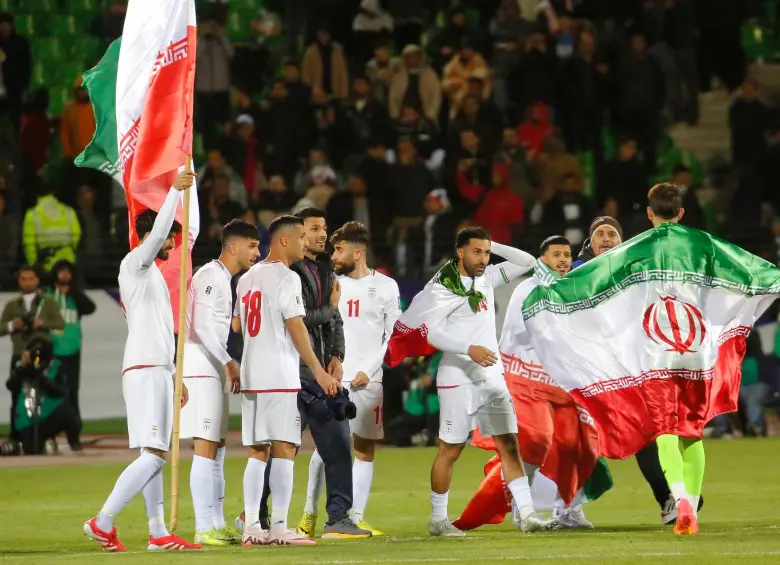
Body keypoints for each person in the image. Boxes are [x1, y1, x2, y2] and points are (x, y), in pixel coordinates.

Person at [387, 227, 553, 536]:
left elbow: (528, 261)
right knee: (450, 450)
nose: (483, 258)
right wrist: (468, 349)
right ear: (459, 251)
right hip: (458, 376)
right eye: (477, 251)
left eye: (487, 252)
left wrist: (494, 243)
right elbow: (430, 332)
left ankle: (528, 515)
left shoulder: (487, 277)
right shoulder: (442, 287)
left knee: (509, 445)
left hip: (491, 375)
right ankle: (438, 520)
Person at [83, 170, 200, 553]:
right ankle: (102, 522)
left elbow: (160, 332)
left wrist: (172, 375)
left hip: (154, 369)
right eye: (171, 237)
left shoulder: (148, 278)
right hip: (145, 369)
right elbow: (158, 231)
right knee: (154, 456)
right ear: (155, 236)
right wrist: (174, 193)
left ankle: (157, 532)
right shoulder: (136, 262)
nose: (173, 244)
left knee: (152, 455)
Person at [570, 214, 704, 525]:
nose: (606, 238)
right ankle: (568, 507)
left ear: (622, 241)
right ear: (589, 242)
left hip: (631, 368)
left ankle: (670, 497)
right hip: (588, 370)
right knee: (577, 437)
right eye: (600, 233)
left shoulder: (637, 272)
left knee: (645, 435)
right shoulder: (577, 274)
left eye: (612, 234)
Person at [234, 215, 340, 547]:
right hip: (278, 375)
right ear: (283, 241)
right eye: (299, 238)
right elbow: (296, 326)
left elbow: (238, 326)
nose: (304, 243)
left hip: (252, 375)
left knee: (256, 451)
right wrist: (319, 371)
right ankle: (278, 527)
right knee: (284, 448)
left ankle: (252, 526)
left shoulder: (246, 277)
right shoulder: (287, 277)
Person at [296, 221, 401, 537]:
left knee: (365, 448)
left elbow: (392, 335)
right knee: (325, 448)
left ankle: (355, 516)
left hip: (370, 380)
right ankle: (309, 514)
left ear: (358, 252)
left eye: (339, 249)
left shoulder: (386, 286)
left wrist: (369, 371)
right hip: (334, 379)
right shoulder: (328, 283)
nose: (333, 254)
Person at [180, 220, 261, 546]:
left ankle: (216, 522)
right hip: (201, 368)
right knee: (205, 450)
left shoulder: (224, 279)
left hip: (211, 369)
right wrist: (229, 362)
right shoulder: (211, 276)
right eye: (252, 246)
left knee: (217, 451)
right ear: (233, 247)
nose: (256, 252)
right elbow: (200, 326)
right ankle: (202, 527)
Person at [645, 182, 704, 535]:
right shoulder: (702, 245)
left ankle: (679, 497)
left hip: (656, 349)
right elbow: (743, 270)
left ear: (649, 213)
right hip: (696, 349)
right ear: (681, 213)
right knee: (692, 432)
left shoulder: (637, 249)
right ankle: (692, 508)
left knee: (664, 431)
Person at [1, 265, 64, 442]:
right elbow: (1, 328)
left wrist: (41, 323)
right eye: (23, 279)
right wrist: (13, 325)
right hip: (20, 354)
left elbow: (60, 323)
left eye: (30, 278)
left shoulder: (48, 301)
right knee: (16, 395)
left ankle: (43, 434)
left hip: (42, 356)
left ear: (37, 280)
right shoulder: (12, 305)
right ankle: (15, 436)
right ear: (18, 281)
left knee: (45, 392)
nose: (27, 282)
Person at [47, 260, 96, 452]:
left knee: (72, 393)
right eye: (61, 271)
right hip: (52, 352)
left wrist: (72, 291)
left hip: (72, 351)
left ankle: (73, 435)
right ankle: (48, 435)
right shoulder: (48, 297)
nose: (65, 274)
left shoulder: (75, 298)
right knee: (51, 393)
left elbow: (91, 307)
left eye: (68, 271)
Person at [7, 336, 81, 455]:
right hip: (28, 421)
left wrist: (40, 378)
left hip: (48, 415)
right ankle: (41, 444)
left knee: (67, 410)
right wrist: (22, 369)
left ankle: (74, 443)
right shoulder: (23, 367)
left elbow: (60, 391)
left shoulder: (57, 367)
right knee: (32, 449)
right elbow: (11, 385)